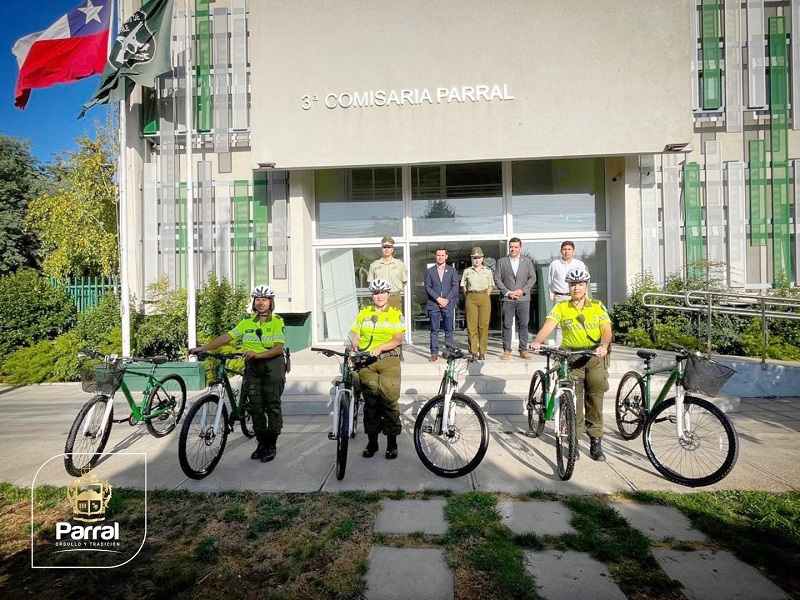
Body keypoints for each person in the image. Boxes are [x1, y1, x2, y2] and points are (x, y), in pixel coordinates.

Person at [189, 285, 286, 463]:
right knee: (256, 407)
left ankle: (271, 444)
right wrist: (202, 348)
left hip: (272, 365)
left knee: (271, 405)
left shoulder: (277, 321)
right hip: (253, 366)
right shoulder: (247, 322)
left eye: (264, 299)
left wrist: (258, 354)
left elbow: (278, 349)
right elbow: (226, 337)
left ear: (271, 302)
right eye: (257, 299)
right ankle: (261, 443)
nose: (260, 302)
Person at [529, 268, 612, 461]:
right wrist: (537, 342)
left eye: (580, 284)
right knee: (573, 400)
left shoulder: (598, 306)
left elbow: (606, 329)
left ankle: (596, 442)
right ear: (569, 286)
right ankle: (574, 441)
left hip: (593, 355)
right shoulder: (561, 307)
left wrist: (604, 345)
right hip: (571, 357)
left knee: (595, 396)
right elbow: (548, 326)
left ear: (586, 286)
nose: (576, 288)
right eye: (573, 284)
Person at [351, 278, 406, 459]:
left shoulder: (395, 314)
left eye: (382, 292)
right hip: (367, 363)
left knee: (390, 403)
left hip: (388, 361)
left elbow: (398, 339)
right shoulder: (364, 313)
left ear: (388, 295)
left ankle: (392, 444)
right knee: (371, 404)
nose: (379, 296)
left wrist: (381, 347)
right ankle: (372, 443)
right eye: (376, 293)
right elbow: (357, 336)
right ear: (371, 296)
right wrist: (355, 346)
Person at [493, 237, 537, 360]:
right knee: (507, 325)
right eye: (511, 247)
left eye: (516, 247)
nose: (513, 249)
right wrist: (507, 292)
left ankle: (523, 350)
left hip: (523, 298)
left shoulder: (527, 261)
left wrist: (522, 290)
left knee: (523, 325)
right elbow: (497, 279)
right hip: (508, 299)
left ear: (520, 248)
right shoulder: (502, 262)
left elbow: (532, 278)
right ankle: (507, 350)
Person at [548, 241, 587, 346]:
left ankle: (576, 345)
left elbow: (584, 281)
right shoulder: (555, 264)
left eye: (569, 249)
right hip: (560, 296)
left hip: (576, 297)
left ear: (573, 251)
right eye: (564, 249)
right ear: (561, 251)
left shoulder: (579, 264)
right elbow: (550, 282)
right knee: (559, 324)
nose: (566, 252)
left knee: (577, 321)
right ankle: (558, 348)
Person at [423, 247, 459, 362]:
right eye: (438, 255)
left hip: (448, 304)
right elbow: (427, 287)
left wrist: (446, 300)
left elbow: (455, 287)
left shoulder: (452, 271)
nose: (440, 257)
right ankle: (434, 352)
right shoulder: (429, 271)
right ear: (435, 256)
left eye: (442, 255)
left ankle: (449, 351)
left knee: (448, 329)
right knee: (434, 330)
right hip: (434, 304)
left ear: (446, 256)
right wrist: (438, 299)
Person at [460, 246, 493, 360]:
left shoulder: (488, 271)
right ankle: (473, 350)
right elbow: (464, 286)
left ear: (482, 258)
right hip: (471, 297)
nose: (476, 260)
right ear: (471, 259)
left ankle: (482, 351)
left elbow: (490, 286)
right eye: (474, 258)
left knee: (483, 325)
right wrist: (470, 296)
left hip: (484, 296)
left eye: (478, 258)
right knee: (471, 325)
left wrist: (484, 295)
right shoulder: (467, 271)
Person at [368, 236, 407, 313]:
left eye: (389, 247)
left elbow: (404, 281)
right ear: (381, 249)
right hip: (380, 297)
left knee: (396, 320)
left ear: (392, 249)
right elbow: (370, 282)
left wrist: (395, 289)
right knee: (380, 321)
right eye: (384, 247)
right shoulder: (374, 265)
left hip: (394, 297)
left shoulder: (400, 264)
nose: (386, 249)